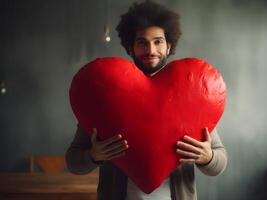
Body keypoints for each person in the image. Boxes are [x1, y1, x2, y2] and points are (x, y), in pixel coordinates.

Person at [66, 1, 227, 200]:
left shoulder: (193, 96)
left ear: (169, 46)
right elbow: (73, 163)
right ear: (131, 48)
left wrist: (208, 157)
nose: (150, 49)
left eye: (158, 41)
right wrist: (93, 156)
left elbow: (219, 162)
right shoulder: (104, 98)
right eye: (142, 42)